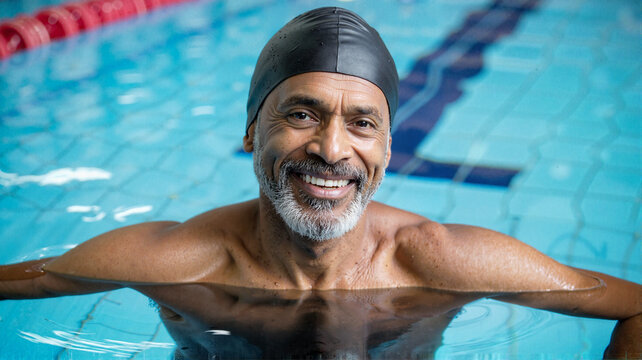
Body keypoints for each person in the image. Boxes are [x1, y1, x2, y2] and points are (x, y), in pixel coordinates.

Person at [1, 7, 639, 358]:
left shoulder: (445, 263)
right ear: (252, 131)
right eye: (301, 113)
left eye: (362, 123)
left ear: (386, 149)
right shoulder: (173, 263)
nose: (332, 149)